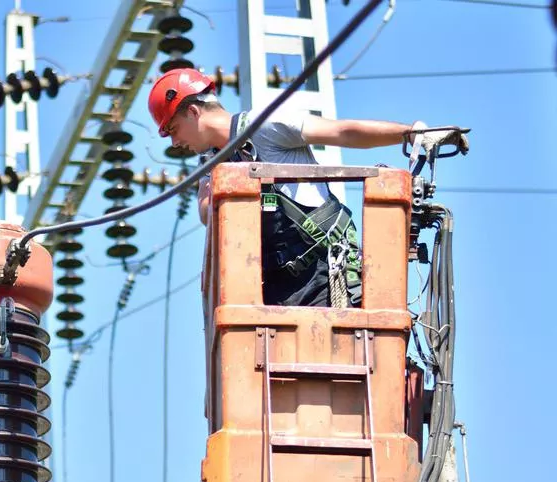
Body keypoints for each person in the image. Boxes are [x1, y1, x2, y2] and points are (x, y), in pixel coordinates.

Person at [147, 68, 467, 308]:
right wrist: (216, 175)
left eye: (174, 129)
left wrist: (410, 134)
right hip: (280, 288)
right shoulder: (213, 165)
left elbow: (342, 132)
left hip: (328, 270)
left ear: (193, 111)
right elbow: (207, 212)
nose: (176, 142)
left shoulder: (265, 126)